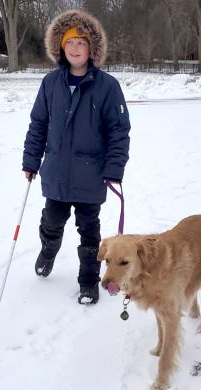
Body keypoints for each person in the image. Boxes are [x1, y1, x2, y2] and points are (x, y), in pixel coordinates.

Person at [22, 9, 130, 305]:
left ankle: (87, 282)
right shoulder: (50, 83)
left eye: (81, 43)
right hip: (56, 172)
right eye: (70, 43)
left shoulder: (108, 87)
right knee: (51, 221)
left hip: (90, 174)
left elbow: (119, 131)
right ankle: (49, 248)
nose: (75, 48)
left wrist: (113, 168)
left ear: (91, 49)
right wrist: (31, 160)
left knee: (90, 234)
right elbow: (38, 124)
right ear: (61, 46)